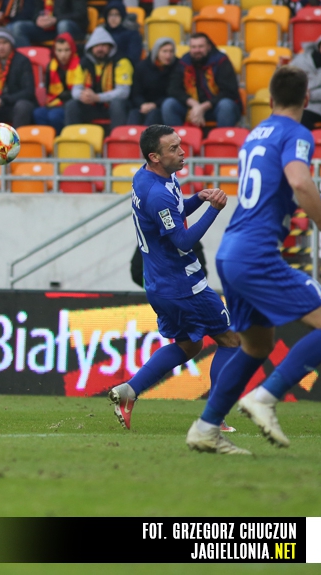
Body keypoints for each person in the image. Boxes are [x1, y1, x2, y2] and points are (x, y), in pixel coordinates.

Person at [187, 66, 321, 455]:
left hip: (231, 251)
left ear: (269, 98)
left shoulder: (255, 134)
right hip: (256, 255)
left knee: (256, 346)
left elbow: (272, 192)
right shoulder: (296, 133)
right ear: (307, 98)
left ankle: (206, 428)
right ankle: (265, 397)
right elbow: (298, 181)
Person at [108, 124, 242, 431]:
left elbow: (171, 213)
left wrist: (197, 199)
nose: (182, 152)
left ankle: (129, 391)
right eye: (173, 149)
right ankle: (214, 419)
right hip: (183, 285)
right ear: (154, 156)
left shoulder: (146, 177)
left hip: (159, 285)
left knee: (189, 346)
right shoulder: (157, 194)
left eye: (180, 145)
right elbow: (182, 240)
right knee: (230, 340)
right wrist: (214, 209)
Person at [162, 33, 241, 129]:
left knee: (226, 105)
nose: (197, 50)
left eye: (201, 46)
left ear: (209, 47)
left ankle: (222, 138)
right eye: (193, 47)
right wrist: (194, 105)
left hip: (215, 107)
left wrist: (203, 107)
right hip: (192, 107)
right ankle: (176, 137)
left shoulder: (221, 61)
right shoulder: (184, 62)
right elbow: (173, 89)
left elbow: (229, 92)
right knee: (169, 104)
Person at [65, 26, 133, 126]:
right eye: (96, 46)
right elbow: (75, 90)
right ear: (91, 48)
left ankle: (117, 135)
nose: (100, 49)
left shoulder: (121, 62)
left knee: (117, 104)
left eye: (103, 45)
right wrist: (84, 96)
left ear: (110, 47)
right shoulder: (83, 64)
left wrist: (97, 97)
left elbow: (123, 92)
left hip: (113, 106)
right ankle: (72, 135)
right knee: (72, 104)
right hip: (92, 105)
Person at [32, 33, 78, 132]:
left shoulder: (79, 65)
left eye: (67, 50)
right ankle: (45, 140)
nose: (63, 55)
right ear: (54, 51)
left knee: (54, 115)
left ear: (73, 49)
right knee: (38, 113)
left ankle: (59, 139)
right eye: (59, 50)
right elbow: (48, 90)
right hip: (55, 101)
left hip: (71, 103)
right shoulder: (51, 66)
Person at [129, 37, 177, 126]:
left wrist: (155, 104)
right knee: (134, 114)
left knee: (154, 114)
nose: (168, 55)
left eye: (171, 51)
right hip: (143, 105)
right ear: (156, 52)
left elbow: (173, 92)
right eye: (164, 51)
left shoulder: (177, 66)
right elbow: (136, 92)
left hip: (162, 106)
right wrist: (142, 104)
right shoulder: (142, 67)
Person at [101, 0, 143, 66]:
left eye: (117, 15)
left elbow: (133, 57)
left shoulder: (132, 34)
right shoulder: (101, 32)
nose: (113, 18)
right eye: (110, 15)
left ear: (122, 16)